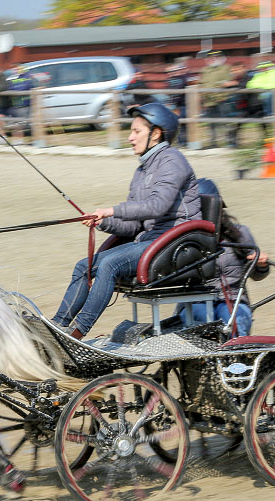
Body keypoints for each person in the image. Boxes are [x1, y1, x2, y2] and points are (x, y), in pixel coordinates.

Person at [52, 103, 201, 340]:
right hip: (150, 241)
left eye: (136, 131)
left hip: (176, 243)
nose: (130, 138)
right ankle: (58, 327)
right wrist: (102, 222)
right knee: (84, 266)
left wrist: (112, 210)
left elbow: (157, 206)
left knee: (109, 264)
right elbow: (134, 225)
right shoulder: (142, 170)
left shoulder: (172, 161)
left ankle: (78, 333)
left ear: (156, 133)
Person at [178, 179, 270, 337]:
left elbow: (255, 275)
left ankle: (235, 358)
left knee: (230, 318)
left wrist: (261, 265)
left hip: (234, 300)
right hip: (195, 301)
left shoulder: (240, 234)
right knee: (201, 317)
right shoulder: (182, 239)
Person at [199, 51, 235, 148]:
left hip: (222, 99)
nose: (212, 59)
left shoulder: (225, 68)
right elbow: (202, 83)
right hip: (209, 101)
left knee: (226, 121)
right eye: (210, 58)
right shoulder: (205, 70)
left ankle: (230, 142)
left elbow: (229, 82)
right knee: (211, 123)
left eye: (215, 57)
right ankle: (213, 143)